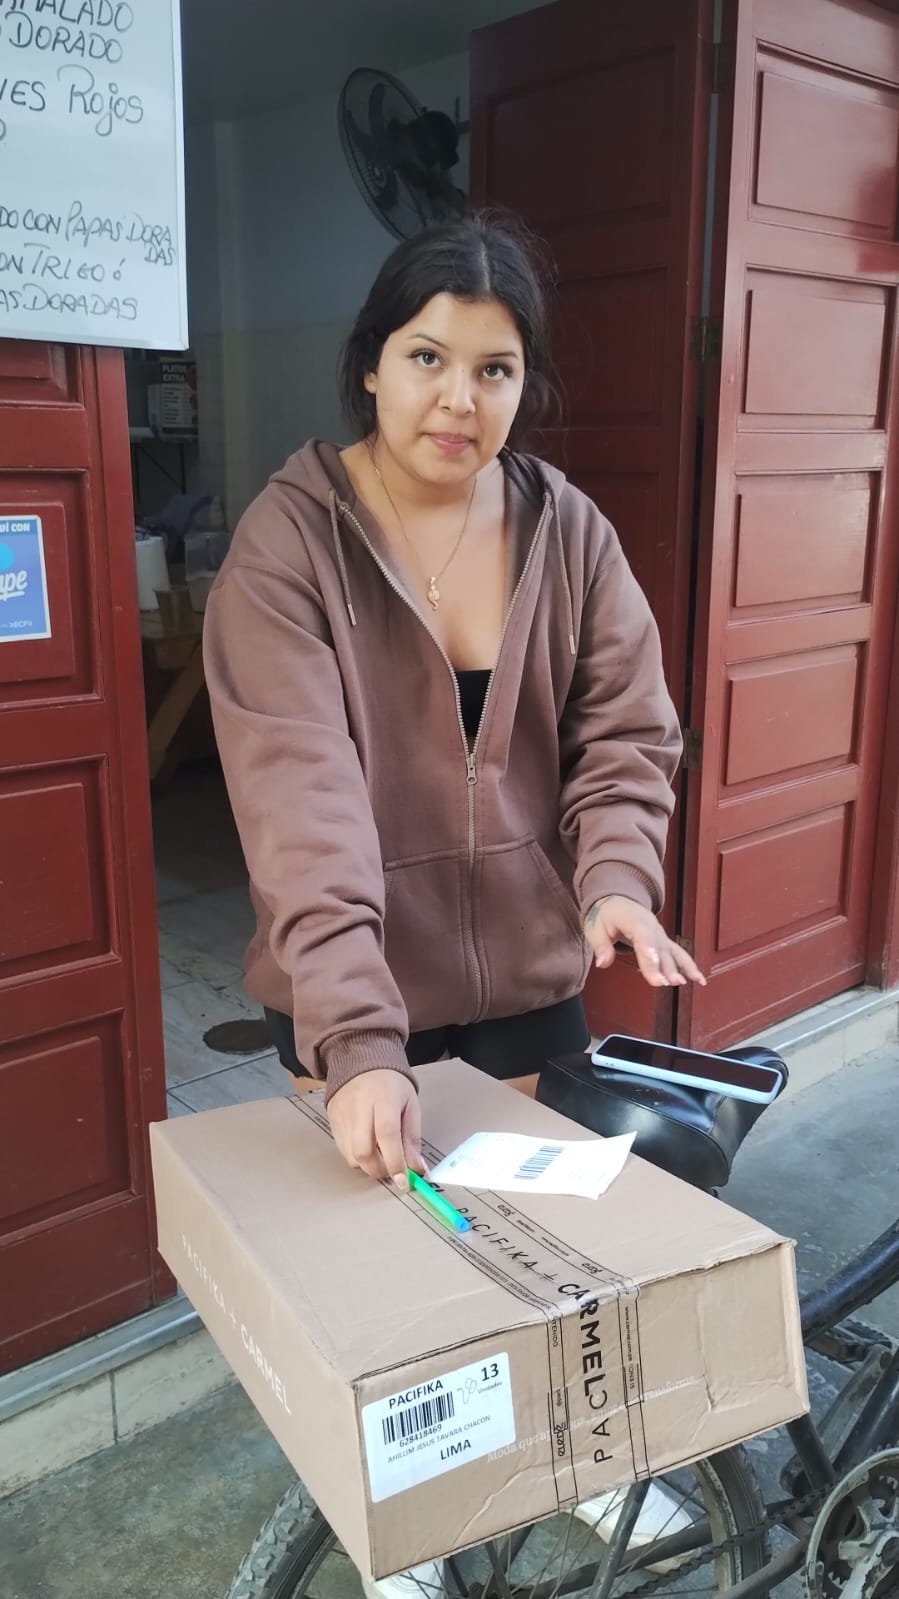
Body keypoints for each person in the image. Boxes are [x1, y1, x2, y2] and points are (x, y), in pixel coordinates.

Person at [203, 211, 705, 1596]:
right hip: (357, 993)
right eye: (428, 357)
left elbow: (626, 731)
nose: (459, 400)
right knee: (390, 1285)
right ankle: (402, 1525)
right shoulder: (288, 546)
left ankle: (579, 1467)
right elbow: (300, 805)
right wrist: (358, 1039)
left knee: (536, 1256)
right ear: (372, 361)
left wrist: (614, 879)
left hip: (529, 977)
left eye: (496, 369)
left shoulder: (567, 528)